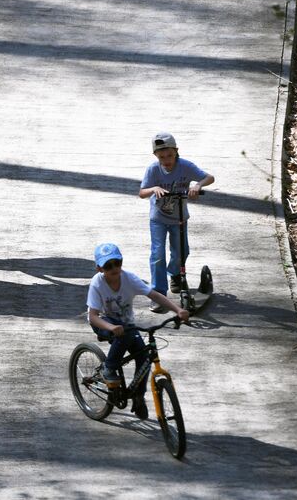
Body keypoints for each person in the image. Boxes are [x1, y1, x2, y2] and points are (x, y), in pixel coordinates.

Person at [86, 243, 189, 420]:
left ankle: (138, 396)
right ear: (99, 268)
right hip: (103, 322)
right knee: (124, 333)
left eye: (116, 263)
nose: (113, 268)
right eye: (108, 266)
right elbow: (93, 316)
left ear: (121, 262)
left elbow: (154, 295)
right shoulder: (97, 283)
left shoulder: (129, 279)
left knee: (144, 357)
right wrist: (111, 327)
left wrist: (177, 310)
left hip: (126, 325)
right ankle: (108, 368)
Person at [139, 132, 215, 313]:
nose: (166, 160)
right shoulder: (153, 170)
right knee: (157, 254)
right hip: (157, 219)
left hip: (179, 217)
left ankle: (174, 274)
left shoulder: (185, 167)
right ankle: (159, 292)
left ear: (176, 152)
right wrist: (153, 188)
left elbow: (209, 177)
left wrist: (197, 185)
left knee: (181, 251)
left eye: (170, 155)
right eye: (161, 156)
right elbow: (142, 193)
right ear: (156, 156)